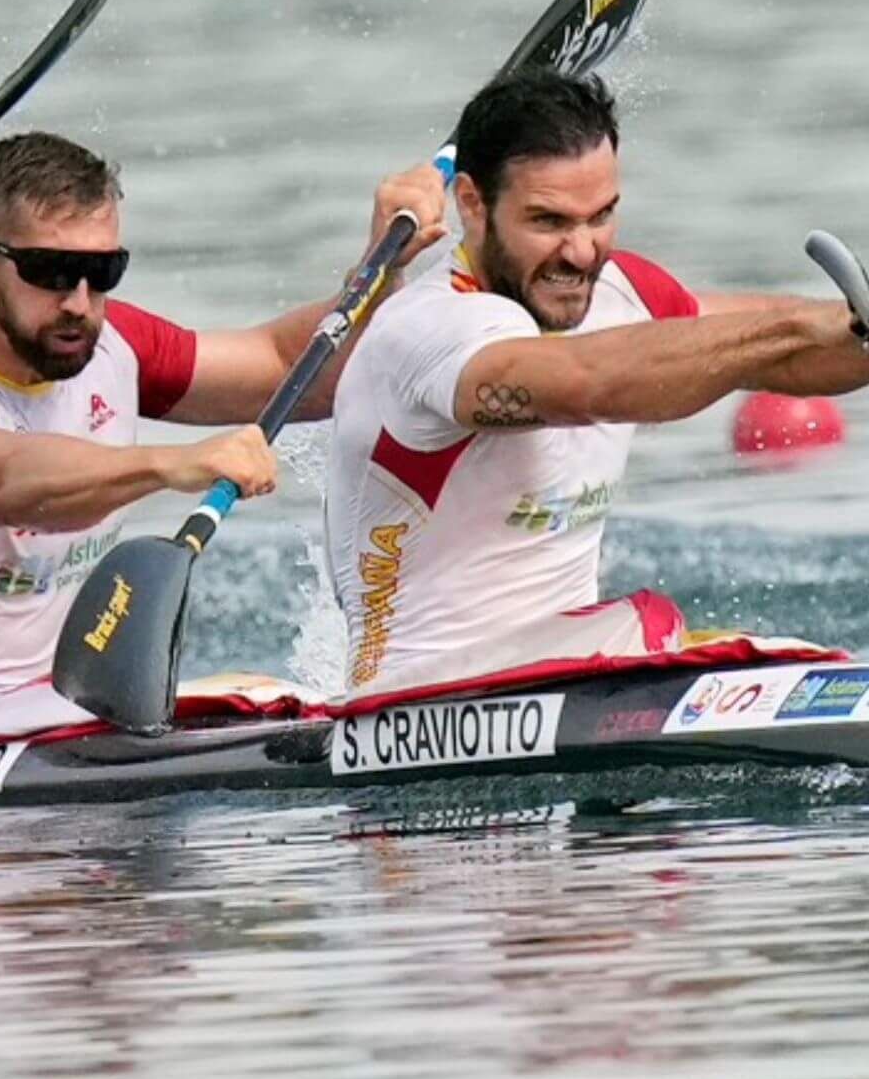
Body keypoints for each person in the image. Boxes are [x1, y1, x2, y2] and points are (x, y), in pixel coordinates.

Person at [0, 130, 450, 735]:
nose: (79, 301)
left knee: (265, 692)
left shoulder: (110, 345)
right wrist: (170, 465)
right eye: (51, 270)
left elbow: (297, 370)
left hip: (69, 715)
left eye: (103, 271)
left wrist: (378, 273)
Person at [326, 68, 869, 696]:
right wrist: (798, 329)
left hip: (574, 667)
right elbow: (591, 383)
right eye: (550, 222)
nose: (583, 253)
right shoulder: (428, 328)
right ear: (472, 203)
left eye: (602, 216)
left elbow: (792, 353)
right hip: (414, 698)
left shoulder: (622, 291)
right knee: (648, 622)